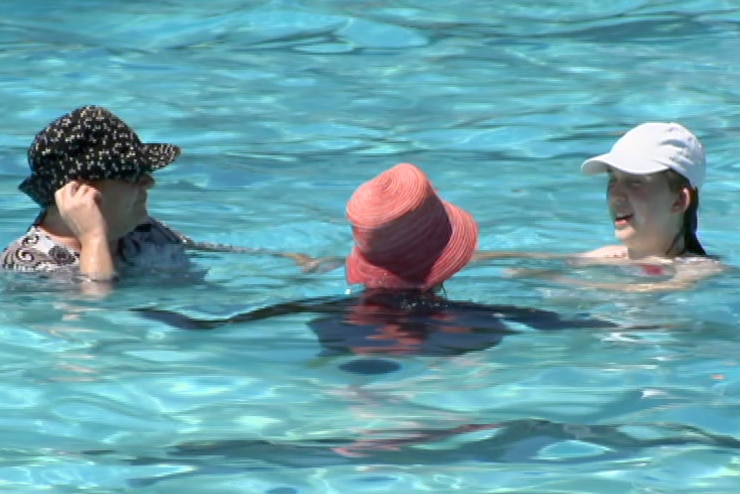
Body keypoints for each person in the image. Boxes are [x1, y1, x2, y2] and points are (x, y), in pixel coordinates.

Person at [137, 163, 618, 365]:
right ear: (447, 261)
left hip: (349, 340)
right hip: (436, 365)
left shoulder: (318, 311)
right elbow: (566, 325)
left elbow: (223, 322)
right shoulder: (479, 318)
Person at [0, 105, 318, 286]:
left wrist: (281, 259)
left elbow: (200, 249)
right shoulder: (28, 262)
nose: (149, 182)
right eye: (133, 174)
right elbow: (92, 322)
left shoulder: (141, 230)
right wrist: (94, 238)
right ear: (83, 188)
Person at [474, 122, 724, 292]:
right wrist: (468, 258)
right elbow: (529, 259)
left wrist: (553, 280)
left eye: (635, 182)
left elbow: (650, 292)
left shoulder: (700, 270)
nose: (616, 195)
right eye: (613, 180)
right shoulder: (609, 255)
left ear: (679, 201)